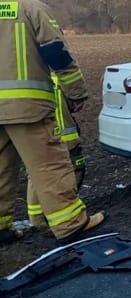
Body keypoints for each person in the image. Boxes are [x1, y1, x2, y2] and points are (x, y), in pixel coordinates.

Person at [0, 0, 105, 245]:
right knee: (50, 166)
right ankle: (70, 224)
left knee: (0, 171)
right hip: (28, 109)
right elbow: (58, 55)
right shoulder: (31, 9)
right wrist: (77, 94)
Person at [27, 74, 87, 229]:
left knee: (37, 172)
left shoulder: (31, 80)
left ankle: (38, 219)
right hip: (61, 138)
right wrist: (78, 94)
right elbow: (71, 105)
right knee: (67, 172)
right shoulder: (54, 81)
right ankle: (67, 219)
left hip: (37, 133)